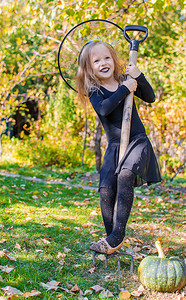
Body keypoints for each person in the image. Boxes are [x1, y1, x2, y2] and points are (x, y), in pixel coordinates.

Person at [76, 41, 161, 255]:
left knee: (125, 176)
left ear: (113, 59)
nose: (103, 63)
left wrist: (138, 77)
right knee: (106, 188)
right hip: (115, 145)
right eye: (96, 61)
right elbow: (104, 109)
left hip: (137, 141)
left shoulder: (126, 79)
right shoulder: (94, 90)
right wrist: (125, 89)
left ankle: (118, 235)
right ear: (88, 68)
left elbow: (150, 97)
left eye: (106, 58)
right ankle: (111, 238)